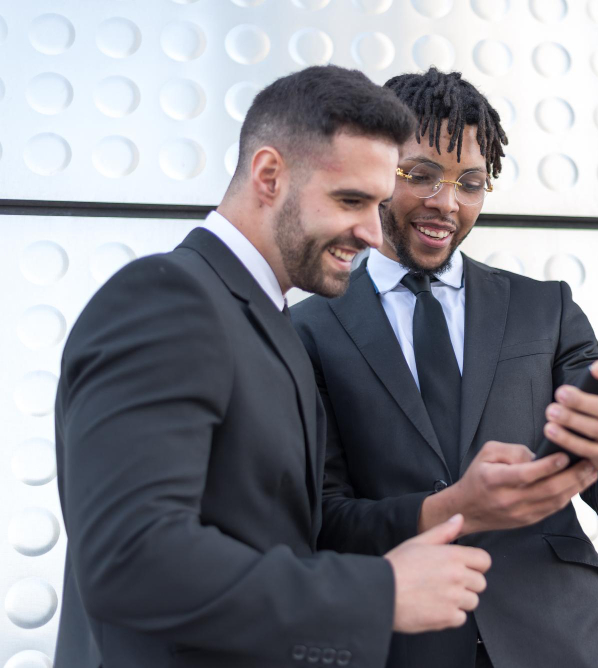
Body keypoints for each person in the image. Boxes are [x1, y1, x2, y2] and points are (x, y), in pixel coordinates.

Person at [53, 65, 491, 668]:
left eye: (379, 204)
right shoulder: (166, 298)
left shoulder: (271, 325)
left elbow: (279, 540)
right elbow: (130, 557)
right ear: (268, 176)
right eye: (350, 201)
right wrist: (377, 594)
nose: (371, 233)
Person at [291, 67, 598, 668]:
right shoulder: (309, 329)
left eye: (471, 182)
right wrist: (452, 507)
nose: (447, 203)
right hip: (402, 645)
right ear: (378, 168)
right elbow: (326, 518)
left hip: (560, 638)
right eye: (421, 175)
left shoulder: (544, 310)